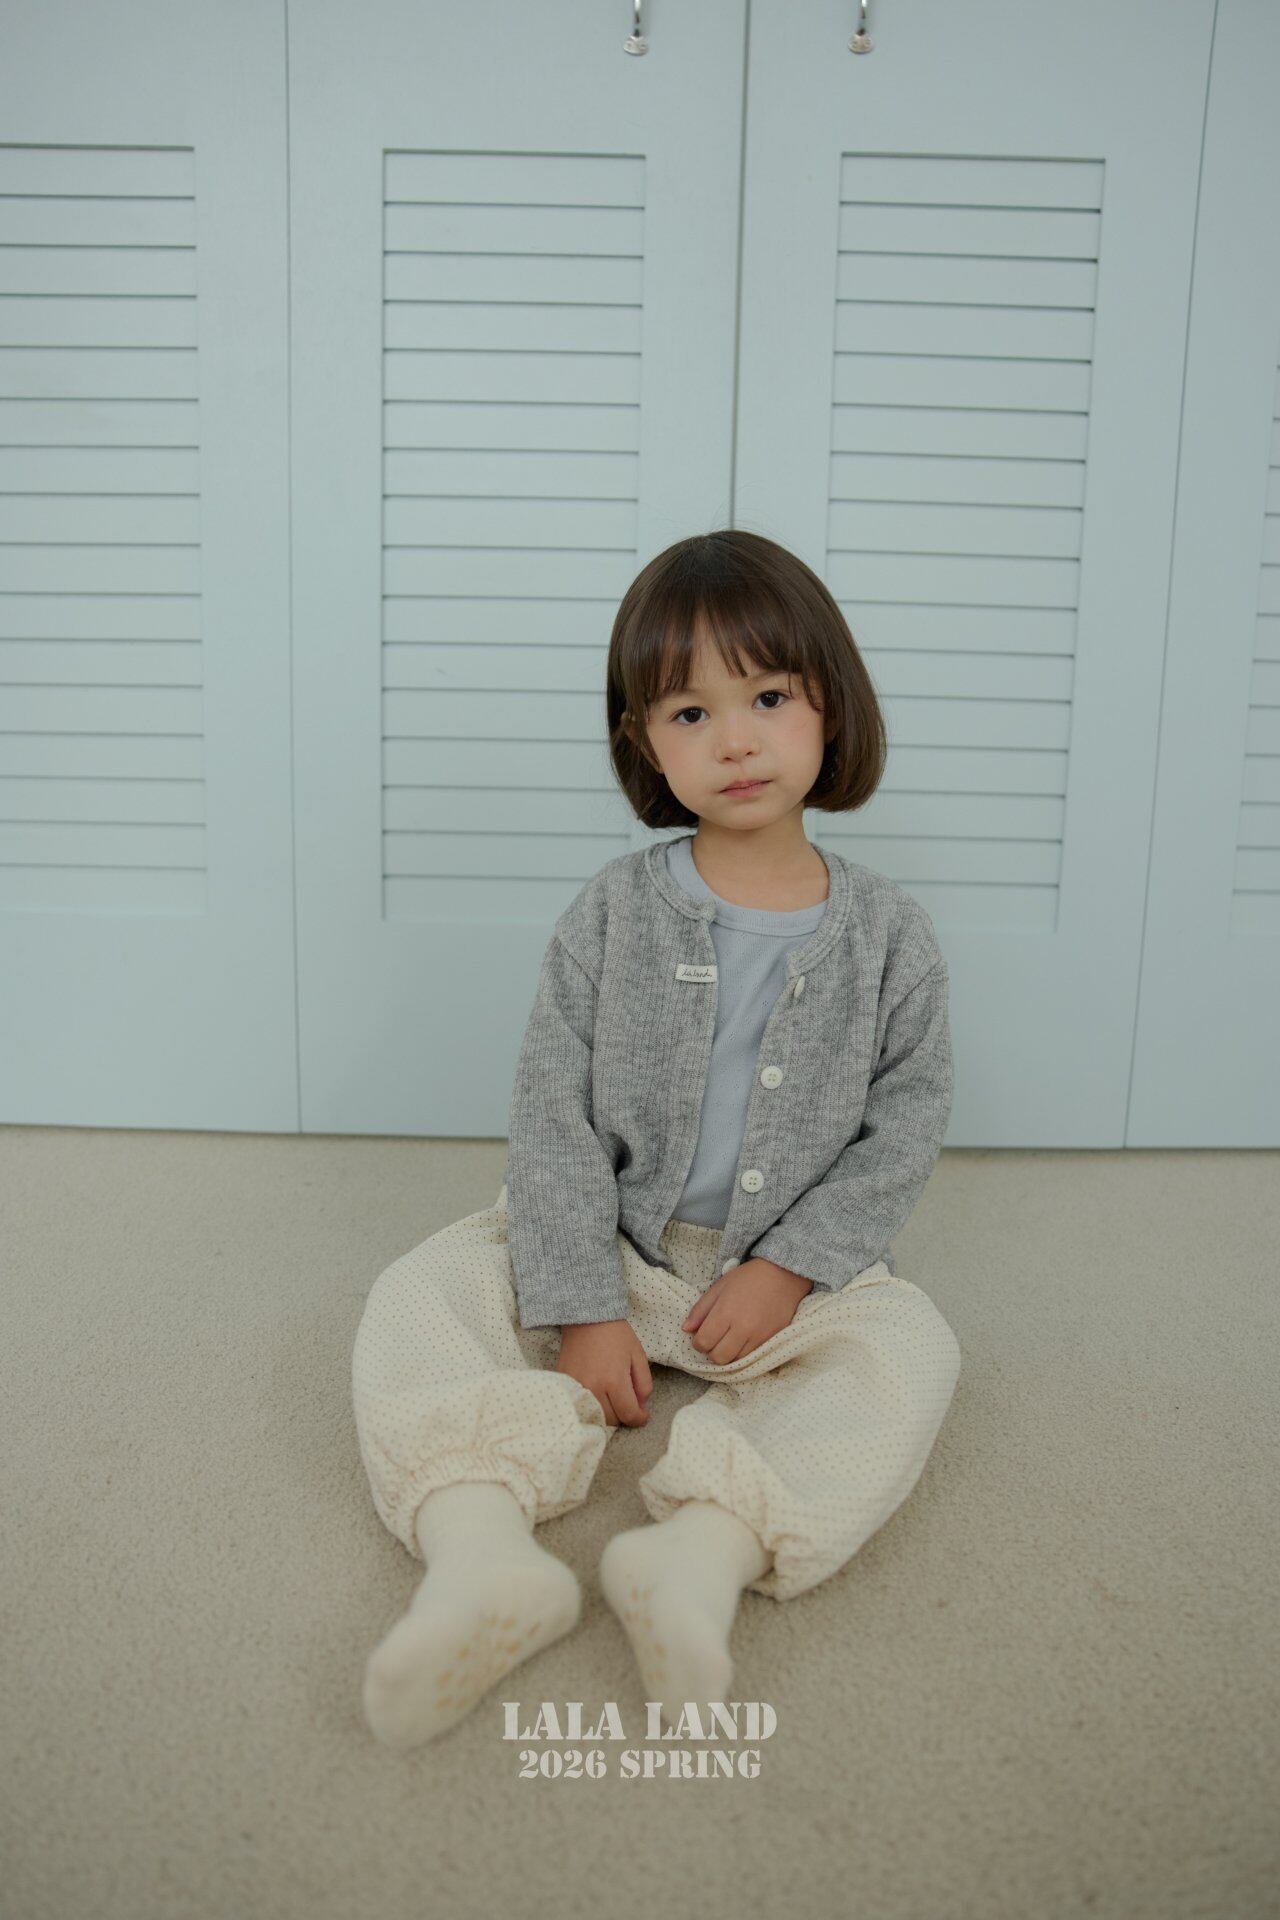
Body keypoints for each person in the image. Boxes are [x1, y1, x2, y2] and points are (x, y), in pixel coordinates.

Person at [352, 528, 962, 1749]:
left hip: (783, 1279)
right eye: (690, 712)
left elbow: (903, 1126)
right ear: (643, 742)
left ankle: (699, 1552)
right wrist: (580, 1303)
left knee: (909, 1353)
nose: (734, 740)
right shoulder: (611, 913)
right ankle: (479, 1550)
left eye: (768, 698)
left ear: (829, 707)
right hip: (613, 1243)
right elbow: (552, 1115)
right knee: (424, 1288)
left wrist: (788, 1269)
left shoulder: (891, 937)